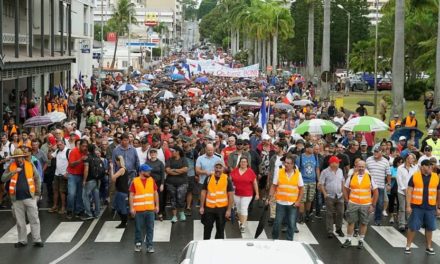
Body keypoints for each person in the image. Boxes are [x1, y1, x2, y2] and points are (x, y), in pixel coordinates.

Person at [1, 149, 43, 248]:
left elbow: (37, 179)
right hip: (16, 199)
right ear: (14, 158)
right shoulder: (11, 167)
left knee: (34, 220)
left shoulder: (30, 165)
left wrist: (37, 194)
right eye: (16, 157)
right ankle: (22, 240)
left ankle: (37, 240)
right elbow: (3, 178)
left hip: (30, 197)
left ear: (23, 157)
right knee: (20, 222)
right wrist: (13, 172)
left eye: (19, 157)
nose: (18, 159)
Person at [404, 159, 440, 255]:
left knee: (430, 227)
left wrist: (438, 207)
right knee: (413, 227)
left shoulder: (436, 177)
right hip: (417, 207)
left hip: (430, 207)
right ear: (422, 166)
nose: (430, 167)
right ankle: (408, 246)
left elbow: (438, 193)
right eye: (428, 166)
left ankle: (428, 247)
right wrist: (408, 206)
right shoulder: (415, 176)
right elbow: (409, 192)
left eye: (431, 166)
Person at [342, 160, 378, 249]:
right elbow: (345, 189)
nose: (361, 168)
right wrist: (347, 201)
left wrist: (373, 205)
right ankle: (348, 240)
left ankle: (361, 240)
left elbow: (376, 192)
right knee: (351, 222)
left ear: (365, 167)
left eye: (363, 167)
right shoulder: (351, 177)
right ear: (356, 167)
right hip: (353, 203)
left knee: (364, 223)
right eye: (359, 166)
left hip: (366, 204)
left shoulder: (369, 177)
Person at [269, 155, 304, 241]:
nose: (286, 164)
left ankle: (289, 241)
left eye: (288, 163)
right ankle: (275, 239)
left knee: (291, 224)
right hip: (280, 202)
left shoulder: (298, 174)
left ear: (293, 165)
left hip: (292, 204)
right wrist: (269, 198)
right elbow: (274, 186)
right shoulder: (279, 172)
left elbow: (301, 188)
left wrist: (298, 201)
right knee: (277, 223)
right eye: (285, 163)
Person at [200, 160, 234, 240]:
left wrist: (229, 210)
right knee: (207, 229)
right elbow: (203, 193)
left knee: (220, 230)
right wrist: (202, 207)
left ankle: (218, 246)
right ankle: (206, 245)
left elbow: (231, 196)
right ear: (214, 168)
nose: (218, 169)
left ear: (223, 169)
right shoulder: (208, 178)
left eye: (220, 167)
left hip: (221, 209)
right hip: (209, 208)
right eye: (216, 167)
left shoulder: (227, 179)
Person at [129, 164, 159, 253]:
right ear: (142, 172)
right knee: (138, 228)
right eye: (147, 171)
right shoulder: (135, 181)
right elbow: (131, 195)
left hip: (150, 209)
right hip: (138, 210)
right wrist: (131, 208)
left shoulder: (151, 180)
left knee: (150, 228)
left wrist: (157, 205)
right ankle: (138, 244)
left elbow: (155, 193)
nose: (149, 172)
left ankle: (150, 245)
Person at [230, 157, 259, 233]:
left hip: (247, 194)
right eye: (242, 162)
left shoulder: (250, 171)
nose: (243, 163)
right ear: (239, 163)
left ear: (247, 163)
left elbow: (255, 183)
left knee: (243, 208)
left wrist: (257, 194)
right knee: (239, 209)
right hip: (236, 194)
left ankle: (243, 225)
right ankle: (241, 221)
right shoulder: (235, 171)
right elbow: (230, 181)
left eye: (244, 162)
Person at [319, 156, 345, 238]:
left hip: (339, 195)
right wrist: (325, 194)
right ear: (331, 163)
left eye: (338, 162)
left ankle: (338, 229)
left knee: (340, 213)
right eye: (337, 162)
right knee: (329, 214)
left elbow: (342, 181)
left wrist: (343, 192)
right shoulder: (325, 172)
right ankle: (330, 230)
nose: (338, 164)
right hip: (330, 195)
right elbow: (321, 184)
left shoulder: (340, 171)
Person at [366, 146, 391, 225]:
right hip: (368, 186)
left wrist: (389, 184)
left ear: (381, 153)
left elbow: (388, 174)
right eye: (374, 151)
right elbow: (365, 171)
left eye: (377, 151)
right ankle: (365, 220)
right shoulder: (368, 159)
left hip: (380, 186)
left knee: (380, 204)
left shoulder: (385, 161)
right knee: (366, 203)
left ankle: (378, 220)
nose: (375, 153)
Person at [296, 142, 320, 222]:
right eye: (311, 147)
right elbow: (297, 170)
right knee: (302, 199)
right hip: (303, 181)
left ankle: (307, 214)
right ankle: (301, 216)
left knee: (310, 199)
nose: (313, 149)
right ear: (306, 149)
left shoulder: (315, 157)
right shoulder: (300, 157)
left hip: (312, 181)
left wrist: (318, 180)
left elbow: (317, 168)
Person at [165, 146, 188, 222]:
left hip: (182, 183)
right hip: (170, 183)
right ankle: (174, 216)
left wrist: (174, 170)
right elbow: (167, 170)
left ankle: (181, 213)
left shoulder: (183, 159)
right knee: (173, 199)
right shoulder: (169, 160)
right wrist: (178, 171)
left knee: (181, 198)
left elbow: (185, 169)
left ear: (178, 152)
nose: (171, 152)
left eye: (173, 151)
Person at [66, 139, 88, 219]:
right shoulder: (74, 151)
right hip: (72, 175)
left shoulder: (86, 152)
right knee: (71, 194)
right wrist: (80, 160)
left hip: (81, 175)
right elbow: (71, 164)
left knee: (80, 194)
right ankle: (69, 210)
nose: (85, 148)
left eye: (86, 146)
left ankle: (79, 211)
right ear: (80, 145)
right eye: (83, 146)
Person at [396, 154, 417, 232]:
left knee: (409, 207)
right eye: (411, 159)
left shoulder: (415, 168)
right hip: (401, 191)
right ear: (407, 159)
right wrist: (404, 189)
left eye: (413, 159)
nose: (412, 160)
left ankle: (409, 223)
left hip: (411, 191)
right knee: (402, 207)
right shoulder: (400, 168)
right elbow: (399, 180)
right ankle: (402, 223)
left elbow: (415, 179)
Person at [48, 139, 70, 214]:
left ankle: (63, 207)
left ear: (64, 144)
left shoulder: (68, 151)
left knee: (62, 191)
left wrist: (67, 172)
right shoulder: (57, 151)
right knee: (55, 191)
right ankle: (55, 206)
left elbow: (71, 162)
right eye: (58, 145)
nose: (59, 146)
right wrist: (50, 149)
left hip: (64, 175)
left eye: (60, 145)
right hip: (57, 174)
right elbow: (50, 157)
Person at [82, 144, 101, 220]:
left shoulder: (88, 158)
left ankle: (89, 213)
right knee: (96, 196)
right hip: (97, 180)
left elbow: (86, 170)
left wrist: (84, 180)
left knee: (85, 196)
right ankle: (97, 213)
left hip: (89, 180)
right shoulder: (97, 158)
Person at [146, 148, 165, 221]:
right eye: (151, 153)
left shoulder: (160, 163)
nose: (153, 154)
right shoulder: (147, 163)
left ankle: (160, 213)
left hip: (158, 182)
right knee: (150, 198)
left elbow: (163, 174)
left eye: (154, 152)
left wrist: (162, 184)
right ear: (149, 154)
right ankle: (152, 213)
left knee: (159, 198)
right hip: (149, 183)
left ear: (157, 154)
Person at [111, 155, 129, 228]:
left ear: (118, 161)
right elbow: (115, 179)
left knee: (121, 207)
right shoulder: (123, 169)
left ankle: (124, 222)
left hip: (122, 191)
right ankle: (124, 221)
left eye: (116, 161)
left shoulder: (122, 169)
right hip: (121, 190)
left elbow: (113, 178)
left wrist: (111, 168)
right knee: (117, 206)